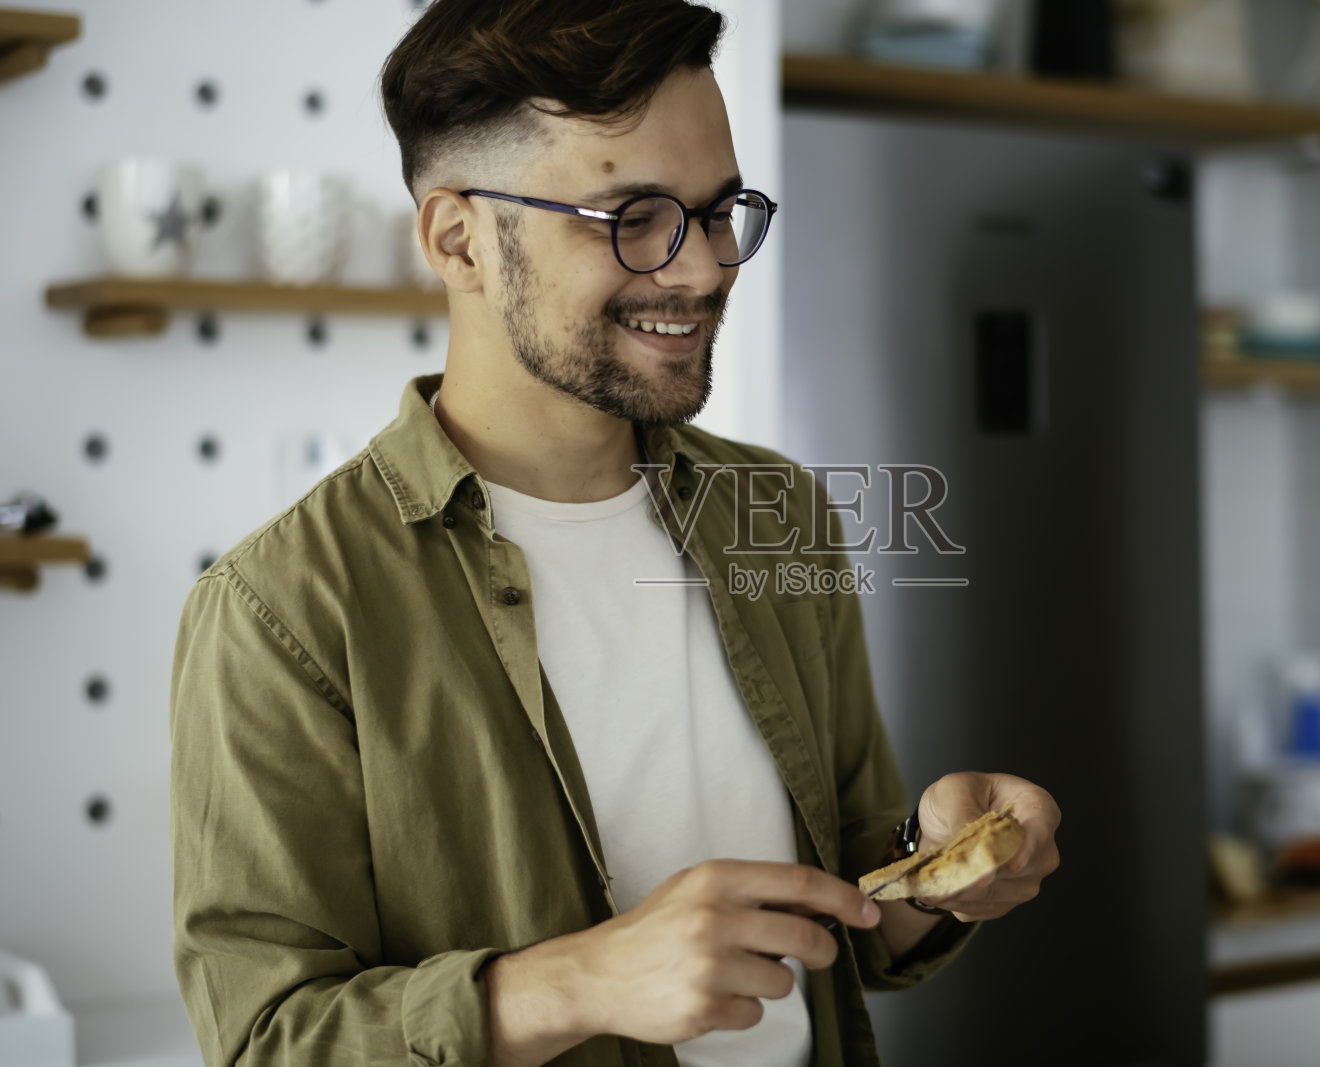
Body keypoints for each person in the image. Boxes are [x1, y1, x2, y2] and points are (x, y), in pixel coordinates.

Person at [167, 2, 1061, 1065]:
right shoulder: (284, 610)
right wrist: (578, 980)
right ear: (460, 239)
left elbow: (853, 918)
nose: (700, 267)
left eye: (717, 209)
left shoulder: (777, 513)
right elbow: (270, 1037)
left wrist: (938, 861)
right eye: (630, 214)